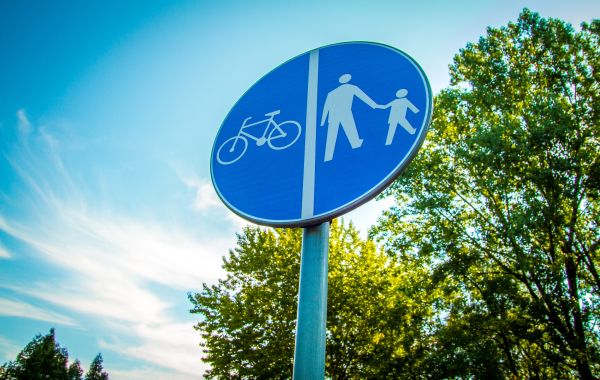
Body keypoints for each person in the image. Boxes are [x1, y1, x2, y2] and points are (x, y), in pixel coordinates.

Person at [321, 74, 379, 162]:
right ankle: (356, 147)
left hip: (333, 116)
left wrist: (323, 121)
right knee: (351, 132)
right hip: (345, 113)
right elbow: (363, 97)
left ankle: (328, 156)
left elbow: (326, 108)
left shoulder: (331, 92)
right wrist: (375, 106)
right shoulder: (351, 87)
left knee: (331, 135)